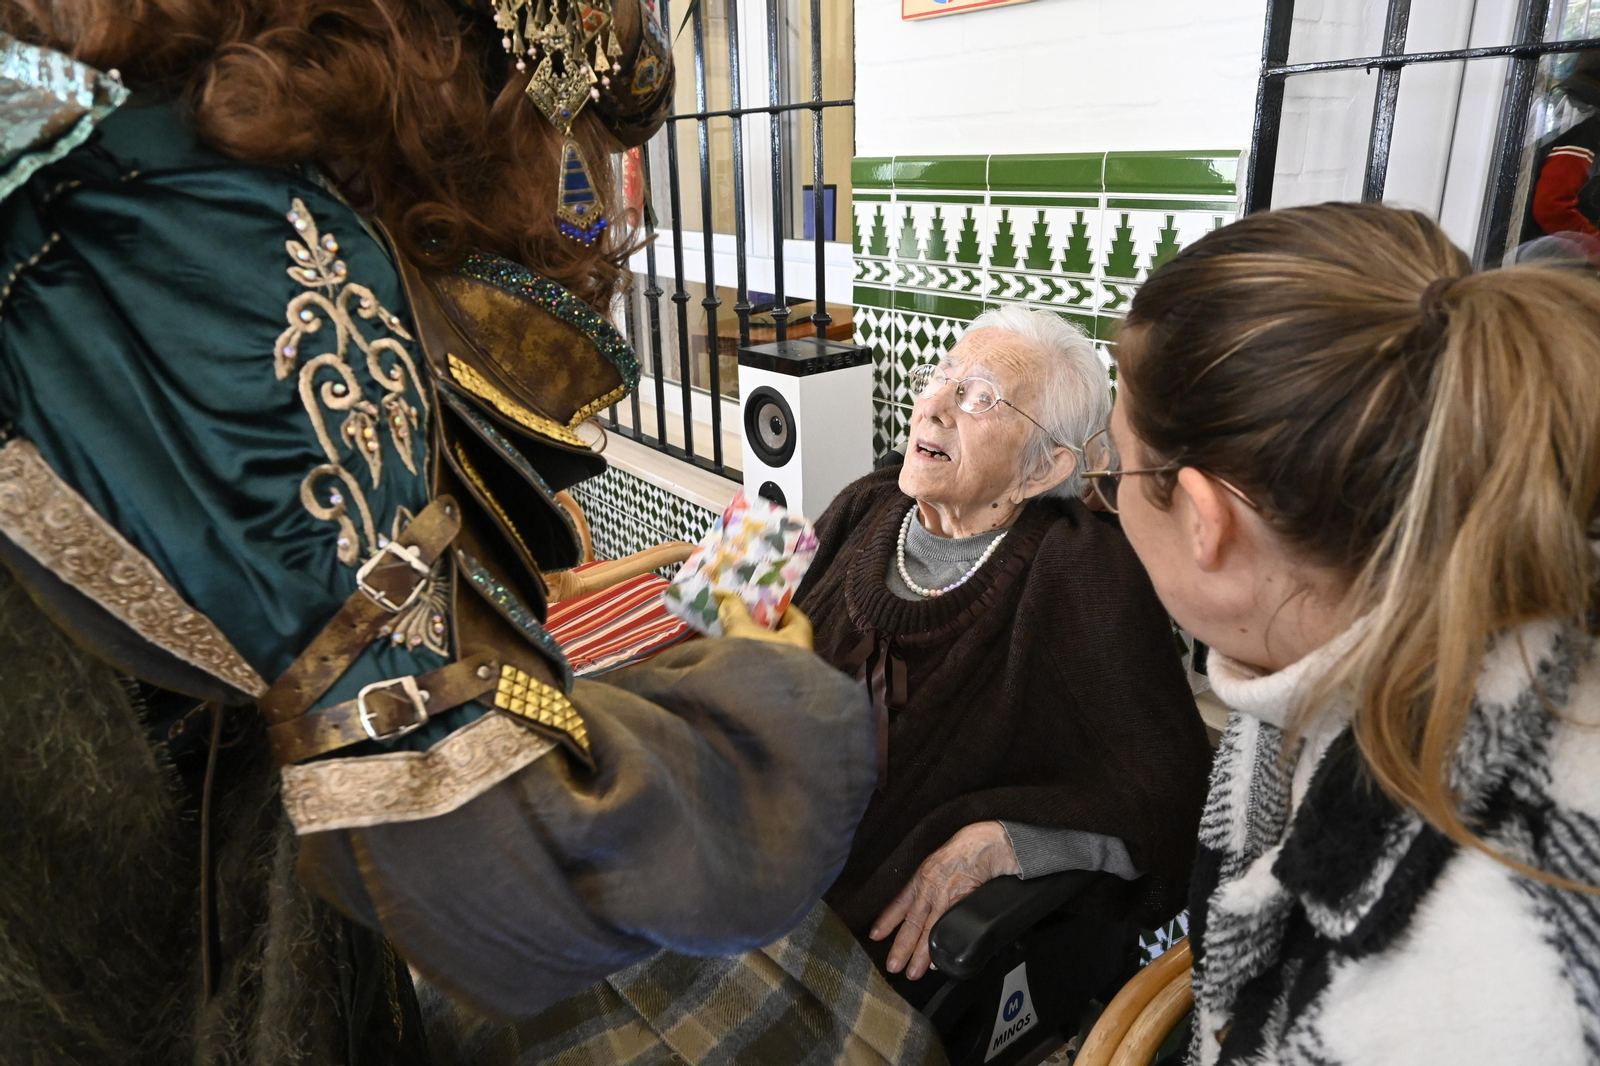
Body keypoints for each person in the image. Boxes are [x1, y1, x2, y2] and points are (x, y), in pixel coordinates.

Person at [0, 3, 876, 1062]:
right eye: (563, 145)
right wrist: (770, 692)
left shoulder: (139, 153)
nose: (568, 191)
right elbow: (512, 852)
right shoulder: (209, 226)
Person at [1092, 201, 1600, 1065]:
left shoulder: (1466, 993)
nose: (1109, 498)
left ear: (1207, 522)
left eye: (1118, 474)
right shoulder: (1338, 646)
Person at [801, 304, 1212, 991]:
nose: (932, 407)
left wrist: (1010, 843)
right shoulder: (866, 507)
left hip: (849, 939)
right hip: (749, 856)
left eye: (980, 398)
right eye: (942, 377)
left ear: (1042, 468)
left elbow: (1172, 796)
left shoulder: (1080, 572)